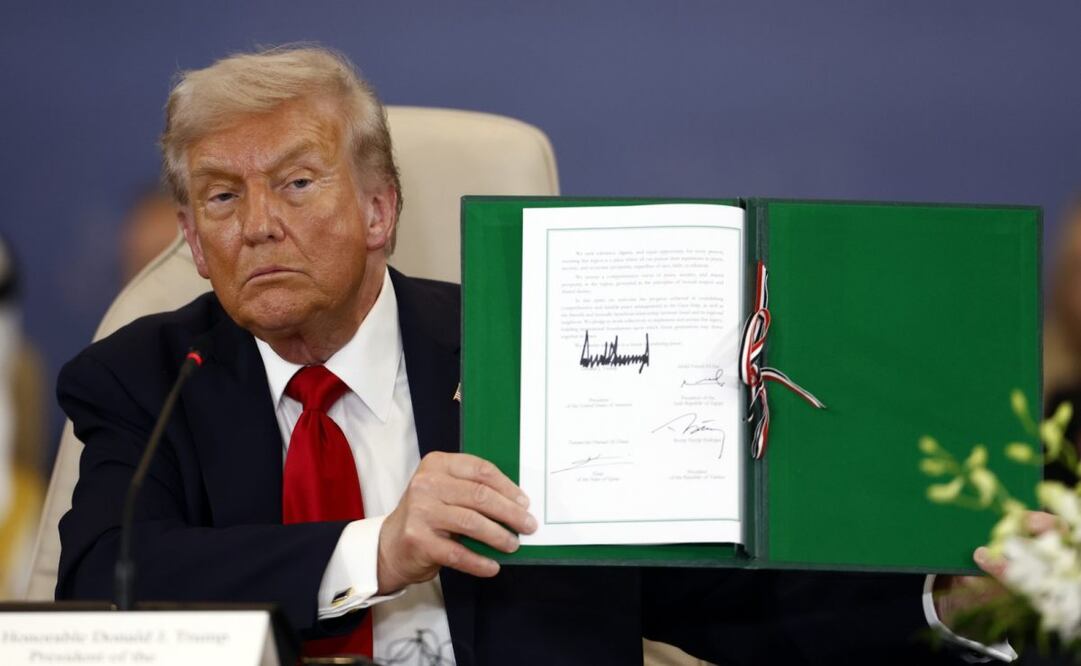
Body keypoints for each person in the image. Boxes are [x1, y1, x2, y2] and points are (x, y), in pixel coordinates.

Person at [56, 46, 996, 665]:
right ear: (192, 238)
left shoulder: (537, 353)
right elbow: (103, 586)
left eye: (297, 183)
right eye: (221, 198)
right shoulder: (146, 379)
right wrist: (378, 548)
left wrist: (936, 603)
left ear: (380, 210)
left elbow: (713, 593)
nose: (258, 225)